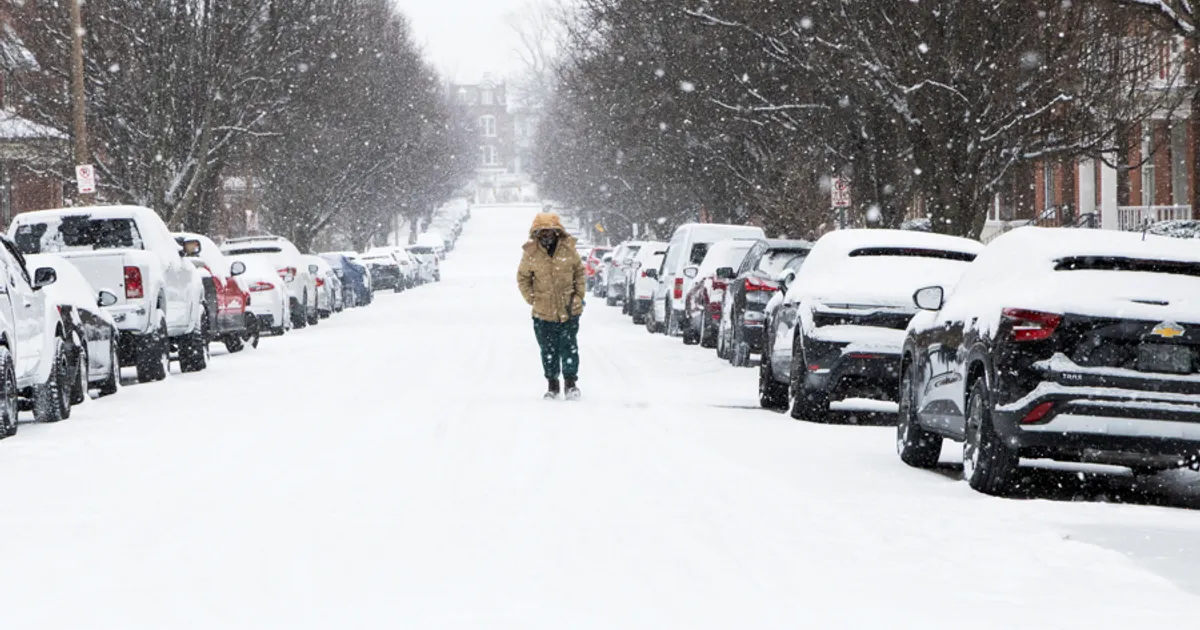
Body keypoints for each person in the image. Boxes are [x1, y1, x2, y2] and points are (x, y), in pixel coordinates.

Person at [517, 212, 586, 400]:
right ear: (536, 233)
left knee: (569, 346)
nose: (546, 235)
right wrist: (532, 298)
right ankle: (552, 385)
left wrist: (578, 296)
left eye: (550, 231)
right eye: (542, 232)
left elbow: (579, 273)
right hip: (542, 313)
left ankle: (571, 384)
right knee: (548, 349)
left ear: (557, 232)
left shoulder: (568, 249)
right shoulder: (531, 253)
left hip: (569, 309)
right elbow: (523, 277)